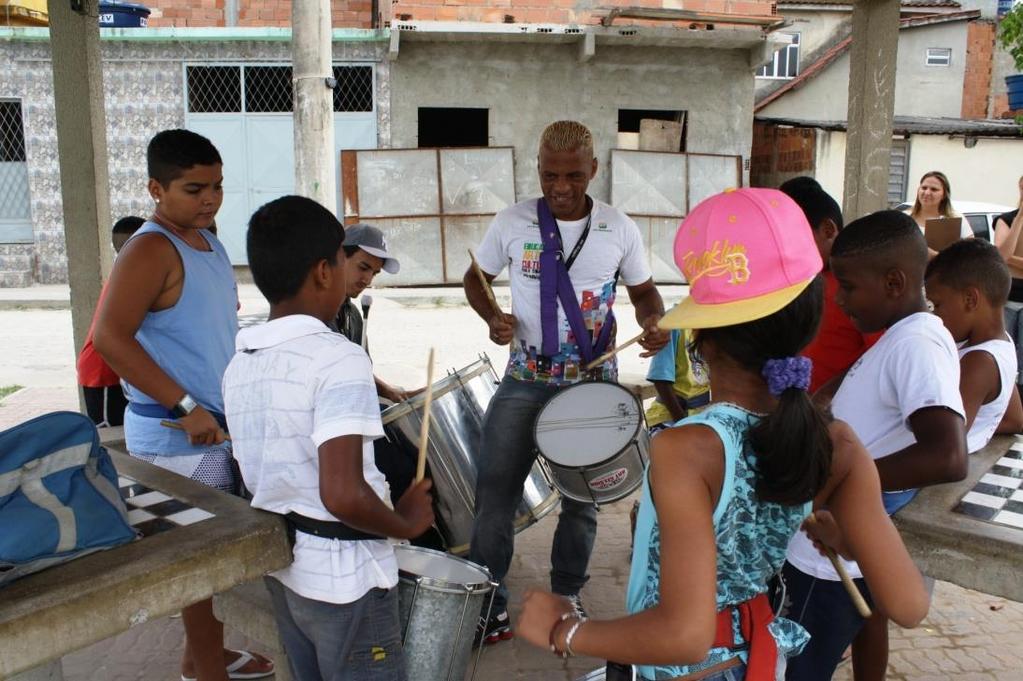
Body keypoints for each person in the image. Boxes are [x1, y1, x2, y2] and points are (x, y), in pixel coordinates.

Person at [516, 188, 929, 681]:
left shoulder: (687, 449)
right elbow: (908, 604)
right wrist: (848, 538)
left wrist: (566, 631)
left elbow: (684, 637)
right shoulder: (837, 443)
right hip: (757, 663)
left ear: (702, 340)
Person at [463, 120, 670, 645]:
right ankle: (490, 600)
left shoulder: (618, 228)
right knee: (494, 493)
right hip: (525, 375)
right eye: (550, 174)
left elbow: (646, 293)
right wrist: (492, 316)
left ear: (593, 170)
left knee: (583, 499)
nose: (560, 186)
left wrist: (654, 323)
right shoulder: (512, 223)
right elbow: (475, 277)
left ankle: (566, 592)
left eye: (573, 175)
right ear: (538, 169)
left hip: (590, 382)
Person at [223, 195, 434, 681]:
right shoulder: (338, 359)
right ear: (324, 271)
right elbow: (341, 493)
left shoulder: (242, 361)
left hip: (287, 572)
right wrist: (403, 522)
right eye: (345, 262)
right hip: (347, 581)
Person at [93, 129, 272, 681]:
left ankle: (205, 657)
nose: (210, 199)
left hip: (214, 426)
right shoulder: (150, 247)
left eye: (217, 186)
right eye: (195, 189)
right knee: (197, 565)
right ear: (155, 188)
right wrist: (186, 404)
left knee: (211, 564)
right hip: (175, 432)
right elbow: (109, 337)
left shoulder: (208, 242)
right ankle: (204, 669)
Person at [780, 210, 968, 681]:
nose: (839, 299)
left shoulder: (918, 344)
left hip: (825, 560)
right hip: (825, 546)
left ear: (893, 282)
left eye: (848, 286)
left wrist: (849, 488)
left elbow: (947, 455)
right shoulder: (899, 338)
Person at [330, 223, 441, 549]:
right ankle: (421, 547)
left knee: (420, 450)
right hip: (334, 427)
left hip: (356, 412)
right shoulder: (318, 313)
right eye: (362, 267)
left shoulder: (352, 315)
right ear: (339, 257)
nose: (367, 280)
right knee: (403, 466)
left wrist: (392, 392)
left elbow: (361, 371)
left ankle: (432, 539)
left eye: (374, 273)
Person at [778, 177, 881, 396]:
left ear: (827, 229)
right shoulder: (807, 278)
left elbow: (879, 360)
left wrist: (822, 400)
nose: (789, 251)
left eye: (795, 240)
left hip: (838, 416)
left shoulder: (864, 285)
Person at [926, 239, 1023, 446]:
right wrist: (978, 432)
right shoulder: (1001, 343)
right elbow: (1013, 419)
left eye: (937, 305)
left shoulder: (980, 362)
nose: (934, 316)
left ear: (970, 299)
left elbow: (943, 443)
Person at [77, 216, 144, 427]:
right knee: (108, 437)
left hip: (118, 369)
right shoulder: (127, 278)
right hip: (102, 372)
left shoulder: (133, 274)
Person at [644, 328, 709, 433]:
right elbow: (661, 381)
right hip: (672, 414)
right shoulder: (673, 324)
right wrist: (682, 423)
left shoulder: (716, 324)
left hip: (703, 413)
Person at [906, 171, 972, 251]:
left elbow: (971, 250)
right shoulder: (905, 217)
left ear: (944, 195)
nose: (927, 192)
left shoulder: (956, 218)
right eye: (924, 188)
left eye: (934, 189)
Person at [992, 175, 1023, 302]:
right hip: (1009, 294)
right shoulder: (1006, 219)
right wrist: (1020, 216)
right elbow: (1002, 255)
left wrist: (1014, 260)